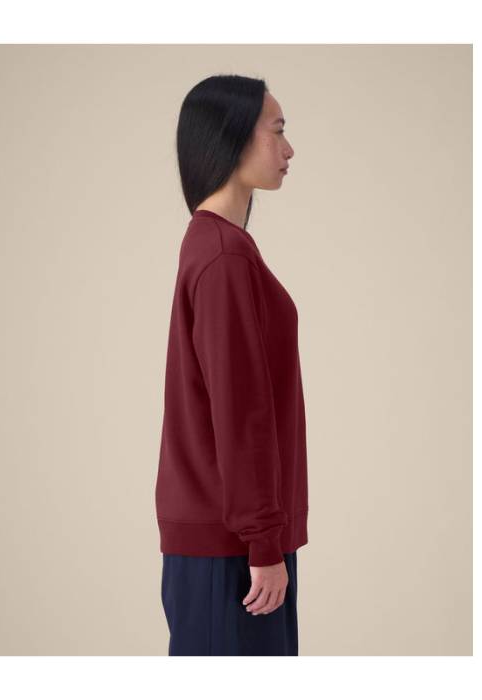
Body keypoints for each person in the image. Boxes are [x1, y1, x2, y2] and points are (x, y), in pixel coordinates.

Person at [154, 74, 309, 655]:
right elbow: (241, 413)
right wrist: (263, 543)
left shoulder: (216, 245)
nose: (289, 149)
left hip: (231, 539)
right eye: (277, 130)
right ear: (233, 137)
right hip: (234, 548)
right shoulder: (223, 256)